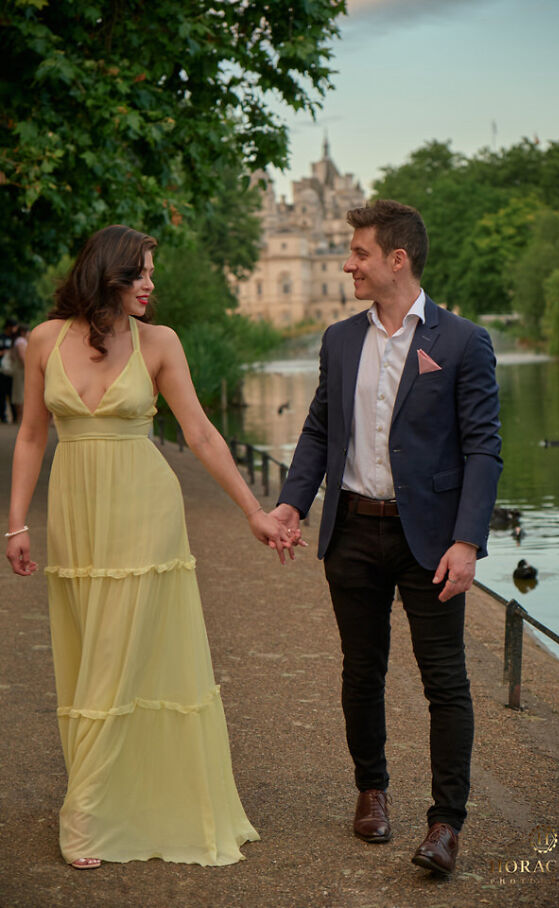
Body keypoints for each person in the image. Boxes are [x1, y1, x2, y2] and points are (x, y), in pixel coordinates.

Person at [6, 225, 296, 870]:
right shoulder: (45, 340)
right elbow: (29, 436)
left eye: (151, 273)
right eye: (139, 272)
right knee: (88, 658)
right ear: (107, 274)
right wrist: (16, 523)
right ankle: (106, 793)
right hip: (78, 516)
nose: (150, 284)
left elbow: (201, 434)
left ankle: (85, 814)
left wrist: (254, 511)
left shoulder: (159, 343)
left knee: (118, 654)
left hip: (144, 513)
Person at [271, 201, 502, 875]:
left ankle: (445, 825)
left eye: (359, 253)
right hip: (351, 531)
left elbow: (482, 450)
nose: (348, 263)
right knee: (360, 670)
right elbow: (318, 431)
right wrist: (291, 504)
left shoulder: (462, 342)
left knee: (445, 680)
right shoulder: (339, 340)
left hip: (430, 540)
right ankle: (370, 791)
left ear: (396, 259)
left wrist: (468, 540)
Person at [9, 323, 29, 423]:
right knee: (20, 393)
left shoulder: (17, 341)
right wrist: (29, 368)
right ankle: (20, 417)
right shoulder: (20, 341)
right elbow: (22, 357)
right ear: (23, 332)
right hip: (21, 370)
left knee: (19, 392)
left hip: (19, 370)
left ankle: (20, 417)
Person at [0, 317, 17, 422]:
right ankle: (3, 416)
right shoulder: (1, 337)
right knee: (2, 394)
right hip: (2, 370)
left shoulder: (16, 338)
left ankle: (15, 416)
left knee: (13, 394)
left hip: (13, 370)